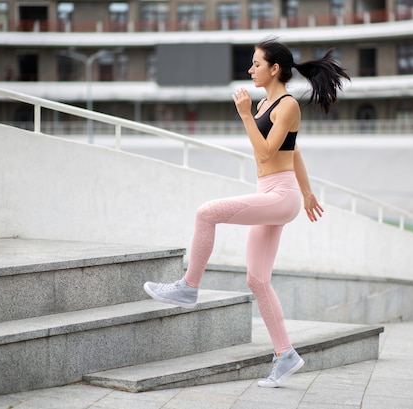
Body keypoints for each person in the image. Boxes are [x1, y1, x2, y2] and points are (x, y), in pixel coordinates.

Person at [144, 38, 350, 388]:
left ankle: (188, 287)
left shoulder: (286, 105)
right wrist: (310, 192)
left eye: (256, 64)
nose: (249, 69)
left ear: (274, 69)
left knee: (206, 213)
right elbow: (294, 151)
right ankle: (285, 355)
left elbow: (269, 153)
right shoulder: (267, 104)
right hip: (272, 193)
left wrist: (243, 116)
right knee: (257, 280)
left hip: (280, 196)